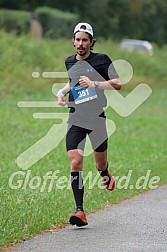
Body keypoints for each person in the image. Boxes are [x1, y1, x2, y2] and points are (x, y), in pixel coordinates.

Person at [56, 22, 121, 227]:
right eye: (78, 39)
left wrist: (94, 84)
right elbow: (72, 82)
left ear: (92, 42)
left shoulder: (101, 60)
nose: (81, 43)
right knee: (75, 162)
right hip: (76, 117)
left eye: (85, 40)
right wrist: (61, 92)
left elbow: (118, 83)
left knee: (99, 163)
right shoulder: (69, 61)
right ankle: (80, 211)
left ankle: (104, 172)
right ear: (73, 41)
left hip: (97, 118)